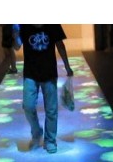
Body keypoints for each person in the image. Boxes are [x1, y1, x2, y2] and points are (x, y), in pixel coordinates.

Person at [14, 24, 73, 154]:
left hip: (49, 72)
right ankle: (36, 132)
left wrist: (67, 66)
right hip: (30, 73)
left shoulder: (52, 24)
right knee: (28, 106)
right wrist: (15, 33)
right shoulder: (23, 25)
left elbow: (60, 45)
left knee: (51, 109)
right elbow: (17, 46)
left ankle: (50, 140)